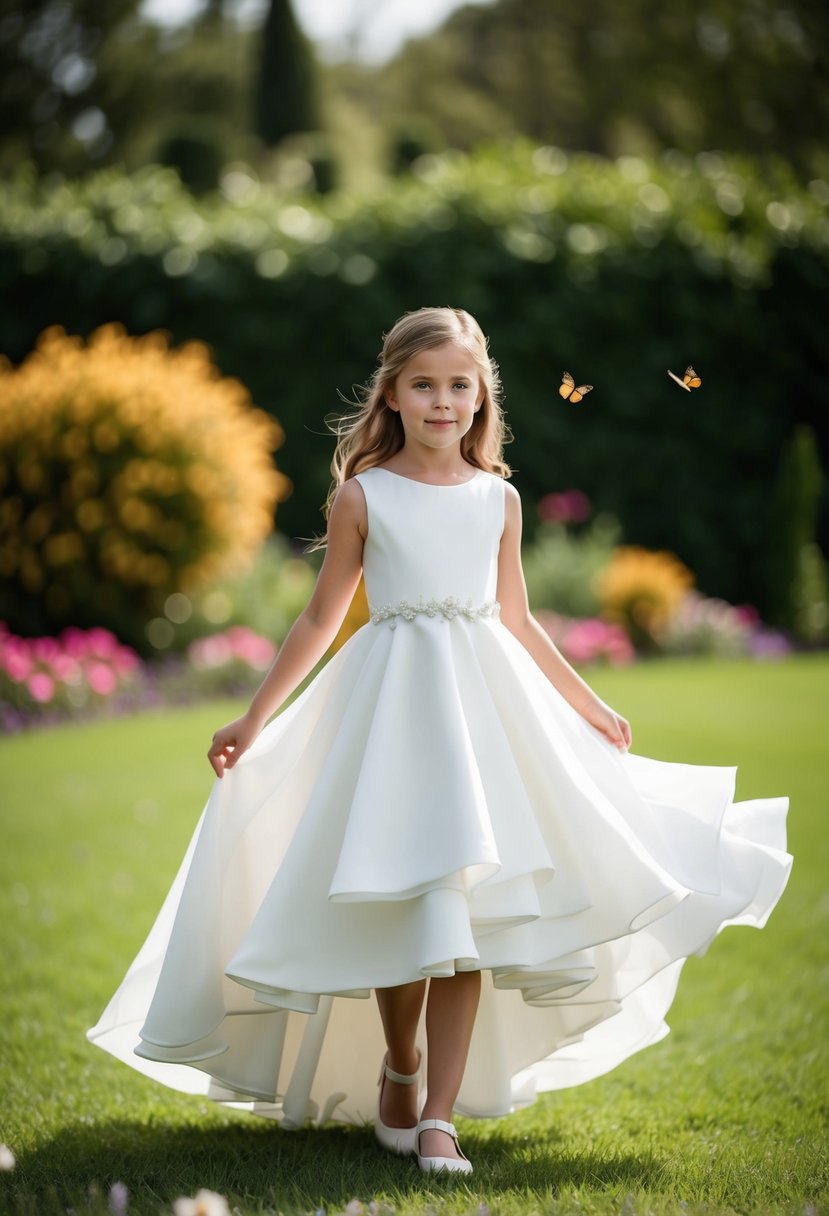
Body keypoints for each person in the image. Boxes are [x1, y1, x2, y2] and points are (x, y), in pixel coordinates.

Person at [88, 307, 791, 1175]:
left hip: (483, 716)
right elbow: (320, 617)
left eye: (459, 385)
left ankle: (439, 1119)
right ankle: (402, 1064)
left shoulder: (499, 498)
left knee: (470, 912)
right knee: (409, 903)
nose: (442, 401)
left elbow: (519, 618)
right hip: (392, 714)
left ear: (480, 396)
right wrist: (254, 717)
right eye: (423, 385)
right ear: (391, 393)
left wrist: (585, 703)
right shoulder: (364, 495)